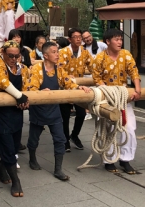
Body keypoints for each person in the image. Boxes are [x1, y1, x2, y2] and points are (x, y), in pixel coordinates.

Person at [28, 42, 91, 180]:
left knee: (60, 139)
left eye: (58, 52)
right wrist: (39, 91)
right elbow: (31, 88)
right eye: (54, 52)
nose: (58, 55)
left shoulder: (59, 70)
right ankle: (32, 158)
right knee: (34, 139)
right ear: (45, 55)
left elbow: (68, 82)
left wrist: (79, 88)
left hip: (54, 110)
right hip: (38, 109)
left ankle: (58, 169)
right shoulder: (37, 69)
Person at [92, 28, 141, 174]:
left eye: (120, 39)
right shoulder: (100, 58)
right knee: (110, 129)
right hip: (108, 98)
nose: (120, 42)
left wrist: (137, 89)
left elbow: (133, 71)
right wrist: (108, 91)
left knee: (130, 128)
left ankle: (125, 159)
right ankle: (109, 160)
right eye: (116, 39)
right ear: (108, 41)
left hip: (124, 97)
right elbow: (96, 78)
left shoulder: (126, 54)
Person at [0, 40, 29, 197]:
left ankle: (1, 168)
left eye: (17, 55)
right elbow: (1, 81)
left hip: (17, 111)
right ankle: (16, 180)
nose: (14, 59)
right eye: (10, 55)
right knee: (5, 141)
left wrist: (25, 100)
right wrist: (19, 96)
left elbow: (27, 86)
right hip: (1, 111)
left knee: (13, 144)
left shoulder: (22, 68)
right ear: (3, 53)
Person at [58, 28, 93, 151]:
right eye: (75, 37)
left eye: (80, 37)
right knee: (65, 115)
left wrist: (101, 78)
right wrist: (67, 77)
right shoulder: (62, 52)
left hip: (79, 88)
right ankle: (65, 140)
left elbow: (93, 66)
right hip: (64, 87)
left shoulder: (84, 52)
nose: (78, 39)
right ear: (70, 39)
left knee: (82, 113)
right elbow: (60, 70)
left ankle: (75, 135)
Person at [82, 30, 107, 120]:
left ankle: (100, 112)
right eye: (85, 38)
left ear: (91, 35)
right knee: (88, 95)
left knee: (100, 95)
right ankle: (87, 112)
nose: (87, 39)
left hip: (100, 75)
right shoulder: (83, 48)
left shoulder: (101, 45)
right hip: (87, 76)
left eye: (88, 36)